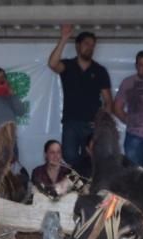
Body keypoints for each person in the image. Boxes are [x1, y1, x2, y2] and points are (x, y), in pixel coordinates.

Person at [47, 25, 112, 166]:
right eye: (86, 44)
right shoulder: (68, 66)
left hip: (92, 123)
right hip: (71, 122)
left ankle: (86, 181)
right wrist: (64, 38)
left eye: (92, 45)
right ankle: (80, 175)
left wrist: (102, 123)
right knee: (69, 155)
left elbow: (108, 101)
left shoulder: (100, 71)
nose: (90, 48)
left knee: (93, 157)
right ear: (77, 46)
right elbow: (52, 64)